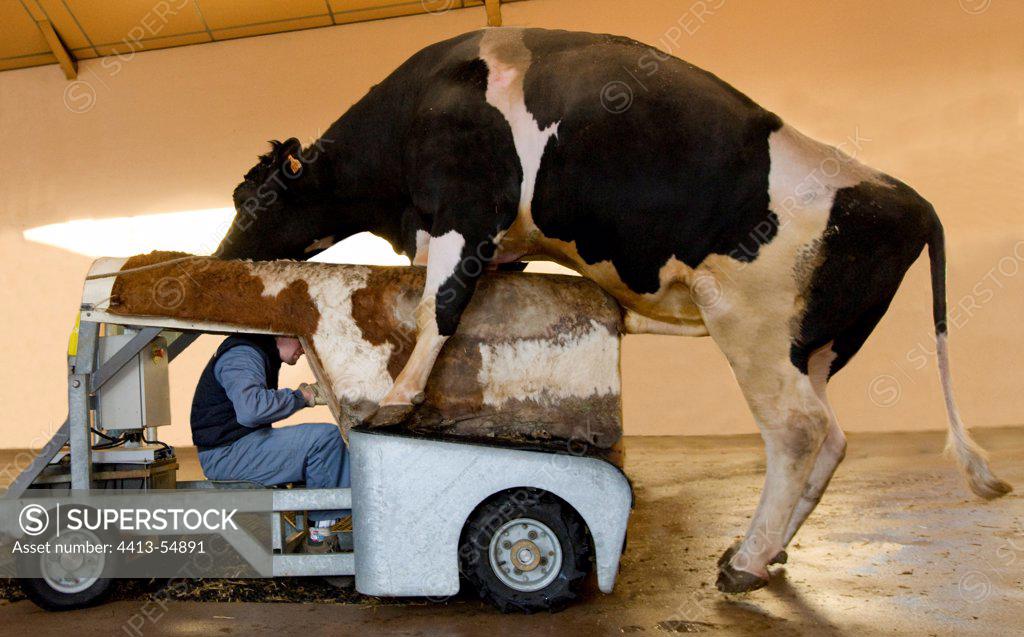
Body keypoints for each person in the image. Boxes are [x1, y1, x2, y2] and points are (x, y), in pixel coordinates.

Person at [190, 334, 349, 553]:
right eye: (302, 340)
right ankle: (319, 539)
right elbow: (251, 410)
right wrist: (302, 397)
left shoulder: (258, 352)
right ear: (283, 332)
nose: (305, 350)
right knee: (326, 439)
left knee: (323, 448)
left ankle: (319, 531)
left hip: (238, 447)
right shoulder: (243, 354)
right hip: (228, 455)